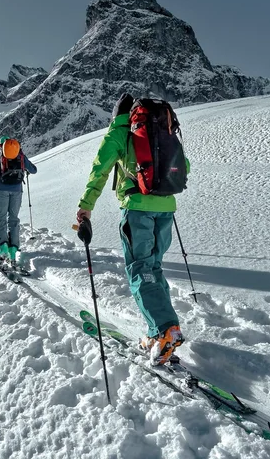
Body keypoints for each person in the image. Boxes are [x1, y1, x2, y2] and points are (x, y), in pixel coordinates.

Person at [76, 93, 189, 365]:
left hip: (137, 208)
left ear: (117, 115)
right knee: (154, 268)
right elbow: (184, 166)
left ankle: (165, 330)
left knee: (140, 269)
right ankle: (158, 331)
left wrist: (85, 207)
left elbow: (99, 172)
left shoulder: (118, 133)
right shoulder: (162, 128)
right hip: (165, 207)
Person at [0, 136, 37, 273]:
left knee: (0, 219)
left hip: (1, 190)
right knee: (14, 219)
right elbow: (33, 170)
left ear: (0, 145)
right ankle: (13, 252)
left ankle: (2, 250)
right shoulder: (19, 154)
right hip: (17, 191)